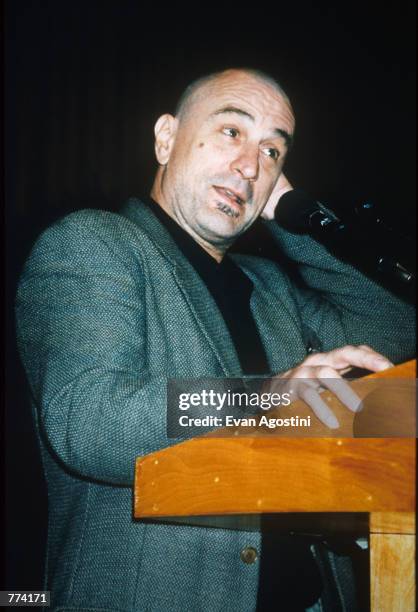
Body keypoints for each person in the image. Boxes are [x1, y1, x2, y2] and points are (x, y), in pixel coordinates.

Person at [15, 68, 415, 611]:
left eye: (273, 153)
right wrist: (270, 395)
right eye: (232, 132)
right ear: (166, 138)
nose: (251, 166)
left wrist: (296, 224)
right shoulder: (94, 243)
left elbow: (392, 329)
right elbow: (89, 421)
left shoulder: (267, 283)